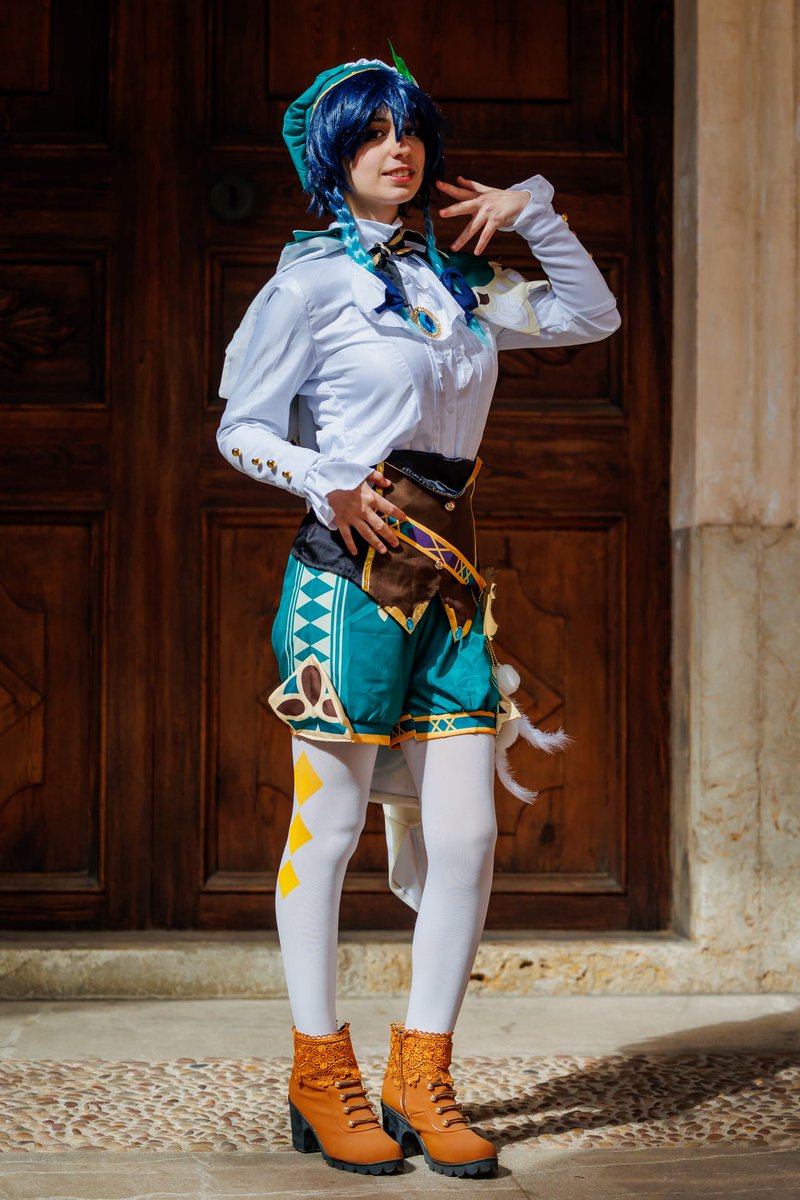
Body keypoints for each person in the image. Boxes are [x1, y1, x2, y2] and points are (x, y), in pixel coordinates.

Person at [217, 51, 620, 1179]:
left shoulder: (456, 286)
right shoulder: (307, 285)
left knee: (468, 838)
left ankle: (421, 1073)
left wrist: (533, 211)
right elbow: (238, 426)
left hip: (449, 586)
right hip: (344, 580)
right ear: (331, 156)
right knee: (329, 828)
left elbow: (590, 316)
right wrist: (324, 480)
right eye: (371, 133)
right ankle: (319, 1071)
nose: (398, 149)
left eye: (410, 131)